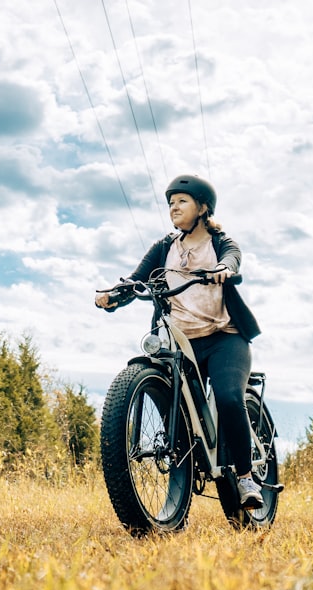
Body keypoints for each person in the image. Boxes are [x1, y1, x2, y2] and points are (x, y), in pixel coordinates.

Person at [95, 174, 264, 509]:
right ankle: (183, 464)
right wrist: (114, 295)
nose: (174, 207)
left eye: (182, 201)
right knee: (173, 396)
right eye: (170, 203)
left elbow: (232, 257)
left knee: (230, 398)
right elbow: (136, 279)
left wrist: (222, 269)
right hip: (181, 343)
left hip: (224, 339)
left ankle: (245, 477)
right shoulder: (164, 248)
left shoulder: (219, 242)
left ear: (202, 208)